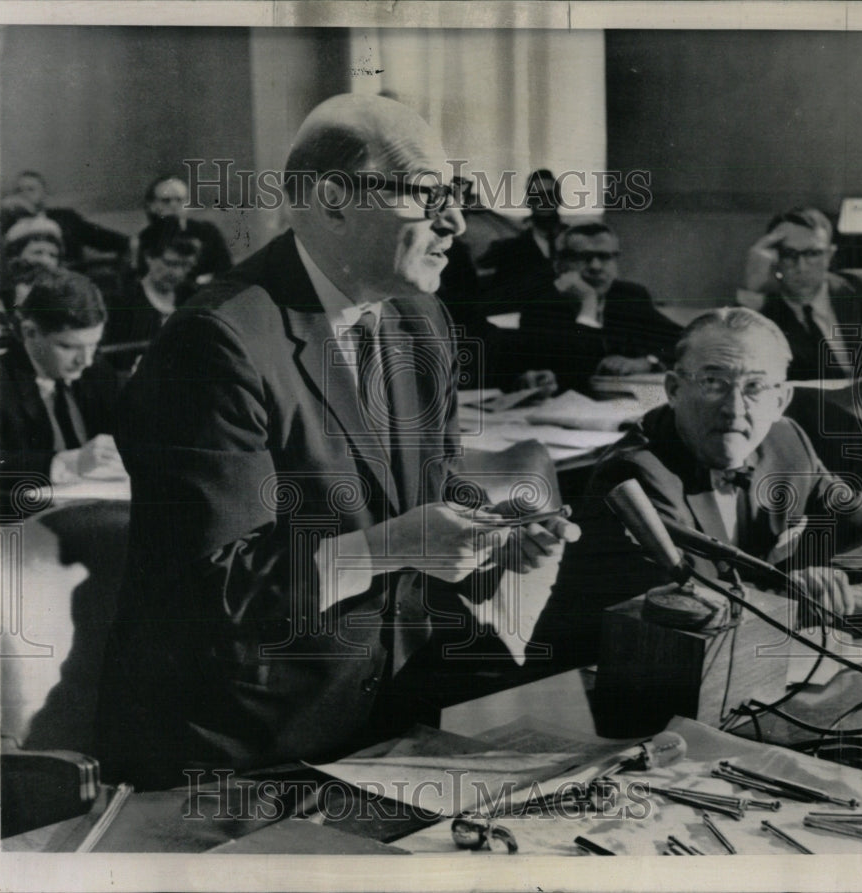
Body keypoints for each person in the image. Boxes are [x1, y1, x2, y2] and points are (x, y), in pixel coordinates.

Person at [96, 94, 579, 789]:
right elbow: (213, 590)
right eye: (427, 194)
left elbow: (429, 491)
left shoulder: (422, 321)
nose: (456, 222)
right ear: (333, 199)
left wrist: (491, 531)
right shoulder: (215, 340)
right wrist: (397, 545)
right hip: (241, 754)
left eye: (457, 195)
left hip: (388, 724)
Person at [585, 307, 862, 622]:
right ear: (674, 390)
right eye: (713, 382)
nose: (733, 409)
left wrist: (834, 581)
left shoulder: (786, 441)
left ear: (780, 401)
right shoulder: (633, 473)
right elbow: (690, 606)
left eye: (754, 387)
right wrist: (804, 598)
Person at [0, 269, 124, 514]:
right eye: (68, 346)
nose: (85, 360)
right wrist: (66, 462)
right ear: (30, 332)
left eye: (93, 345)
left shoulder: (96, 369)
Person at [511, 222, 682, 393]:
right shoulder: (540, 305)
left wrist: (648, 362)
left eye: (605, 257)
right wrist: (588, 303)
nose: (595, 267)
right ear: (559, 265)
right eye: (583, 258)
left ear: (616, 262)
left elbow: (681, 341)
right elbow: (574, 371)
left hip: (625, 402)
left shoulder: (629, 295)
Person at [741, 207, 862, 382]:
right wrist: (752, 286)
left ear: (829, 256)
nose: (801, 267)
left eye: (812, 253)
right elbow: (736, 364)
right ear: (774, 258)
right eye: (789, 254)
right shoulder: (763, 315)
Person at [104, 218, 200, 370]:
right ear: (149, 257)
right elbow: (114, 360)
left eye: (186, 265)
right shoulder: (123, 303)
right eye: (170, 263)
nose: (177, 273)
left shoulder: (193, 296)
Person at [477, 169, 566, 318]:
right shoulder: (511, 249)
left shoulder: (578, 242)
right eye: (538, 197)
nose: (544, 202)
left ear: (559, 199)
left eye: (550, 195)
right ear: (528, 202)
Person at [0, 171, 131, 268]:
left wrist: (130, 243)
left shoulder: (66, 218)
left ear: (44, 194)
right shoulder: (8, 224)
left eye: (31, 189)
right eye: (18, 190)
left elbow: (99, 237)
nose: (24, 194)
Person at [136, 175, 232, 285]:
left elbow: (226, 272)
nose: (174, 205)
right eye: (166, 201)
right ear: (151, 206)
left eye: (179, 200)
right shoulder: (144, 239)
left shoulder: (208, 232)